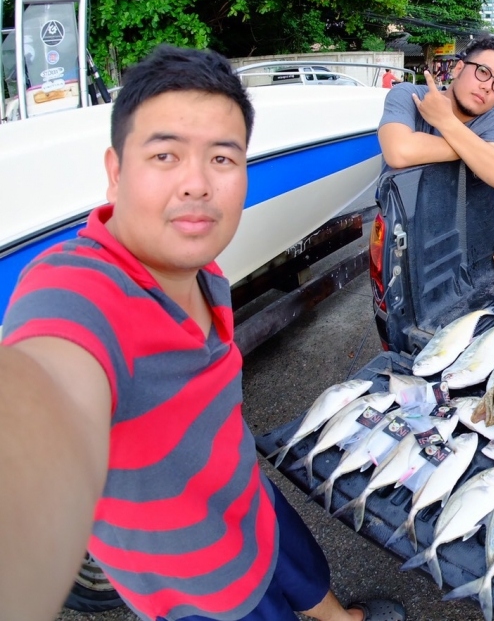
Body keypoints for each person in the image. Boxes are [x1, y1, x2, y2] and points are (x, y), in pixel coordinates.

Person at [0, 46, 404, 621]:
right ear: (116, 173)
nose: (196, 183)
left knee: (308, 575)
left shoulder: (207, 273)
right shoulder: (74, 289)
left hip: (249, 501)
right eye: (165, 154)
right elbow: (48, 391)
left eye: (222, 158)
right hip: (198, 586)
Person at [378, 37, 494, 191]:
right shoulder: (409, 95)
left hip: (459, 214)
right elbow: (399, 152)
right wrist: (477, 152)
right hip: (397, 213)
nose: (487, 87)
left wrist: (446, 121)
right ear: (459, 69)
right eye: (483, 71)